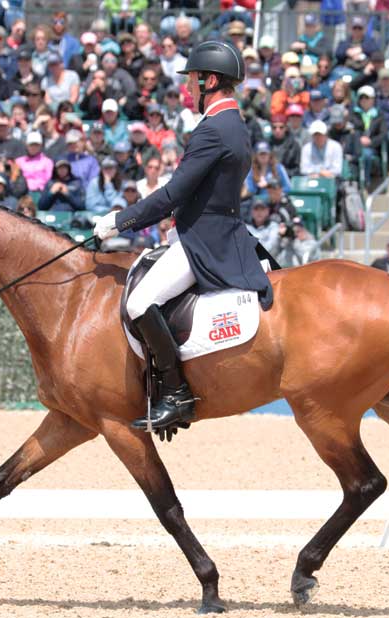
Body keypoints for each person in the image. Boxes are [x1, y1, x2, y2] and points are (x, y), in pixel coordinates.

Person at [91, 40, 271, 431]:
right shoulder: (236, 125)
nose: (188, 89)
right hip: (219, 229)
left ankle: (176, 394)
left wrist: (119, 221)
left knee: (139, 302)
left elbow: (173, 194)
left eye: (192, 80)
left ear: (208, 80)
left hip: (203, 239)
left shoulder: (213, 130)